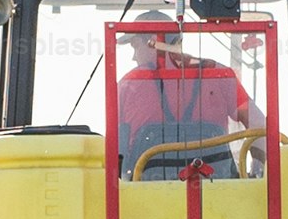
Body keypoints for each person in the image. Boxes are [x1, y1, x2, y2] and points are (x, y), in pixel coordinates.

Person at [114, 22, 267, 178]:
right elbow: (259, 124)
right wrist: (257, 171)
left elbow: (115, 148)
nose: (133, 57)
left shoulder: (129, 84)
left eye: (135, 46)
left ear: (154, 41)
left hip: (143, 195)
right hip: (218, 190)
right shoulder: (217, 73)